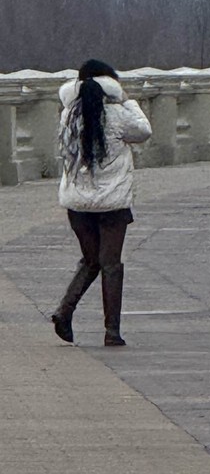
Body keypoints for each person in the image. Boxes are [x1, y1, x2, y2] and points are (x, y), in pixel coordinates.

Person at [51, 59, 152, 347]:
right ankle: (112, 331)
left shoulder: (69, 114)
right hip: (112, 205)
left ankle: (64, 311)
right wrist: (128, 100)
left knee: (91, 260)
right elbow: (144, 131)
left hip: (78, 206)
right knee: (110, 264)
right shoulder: (119, 114)